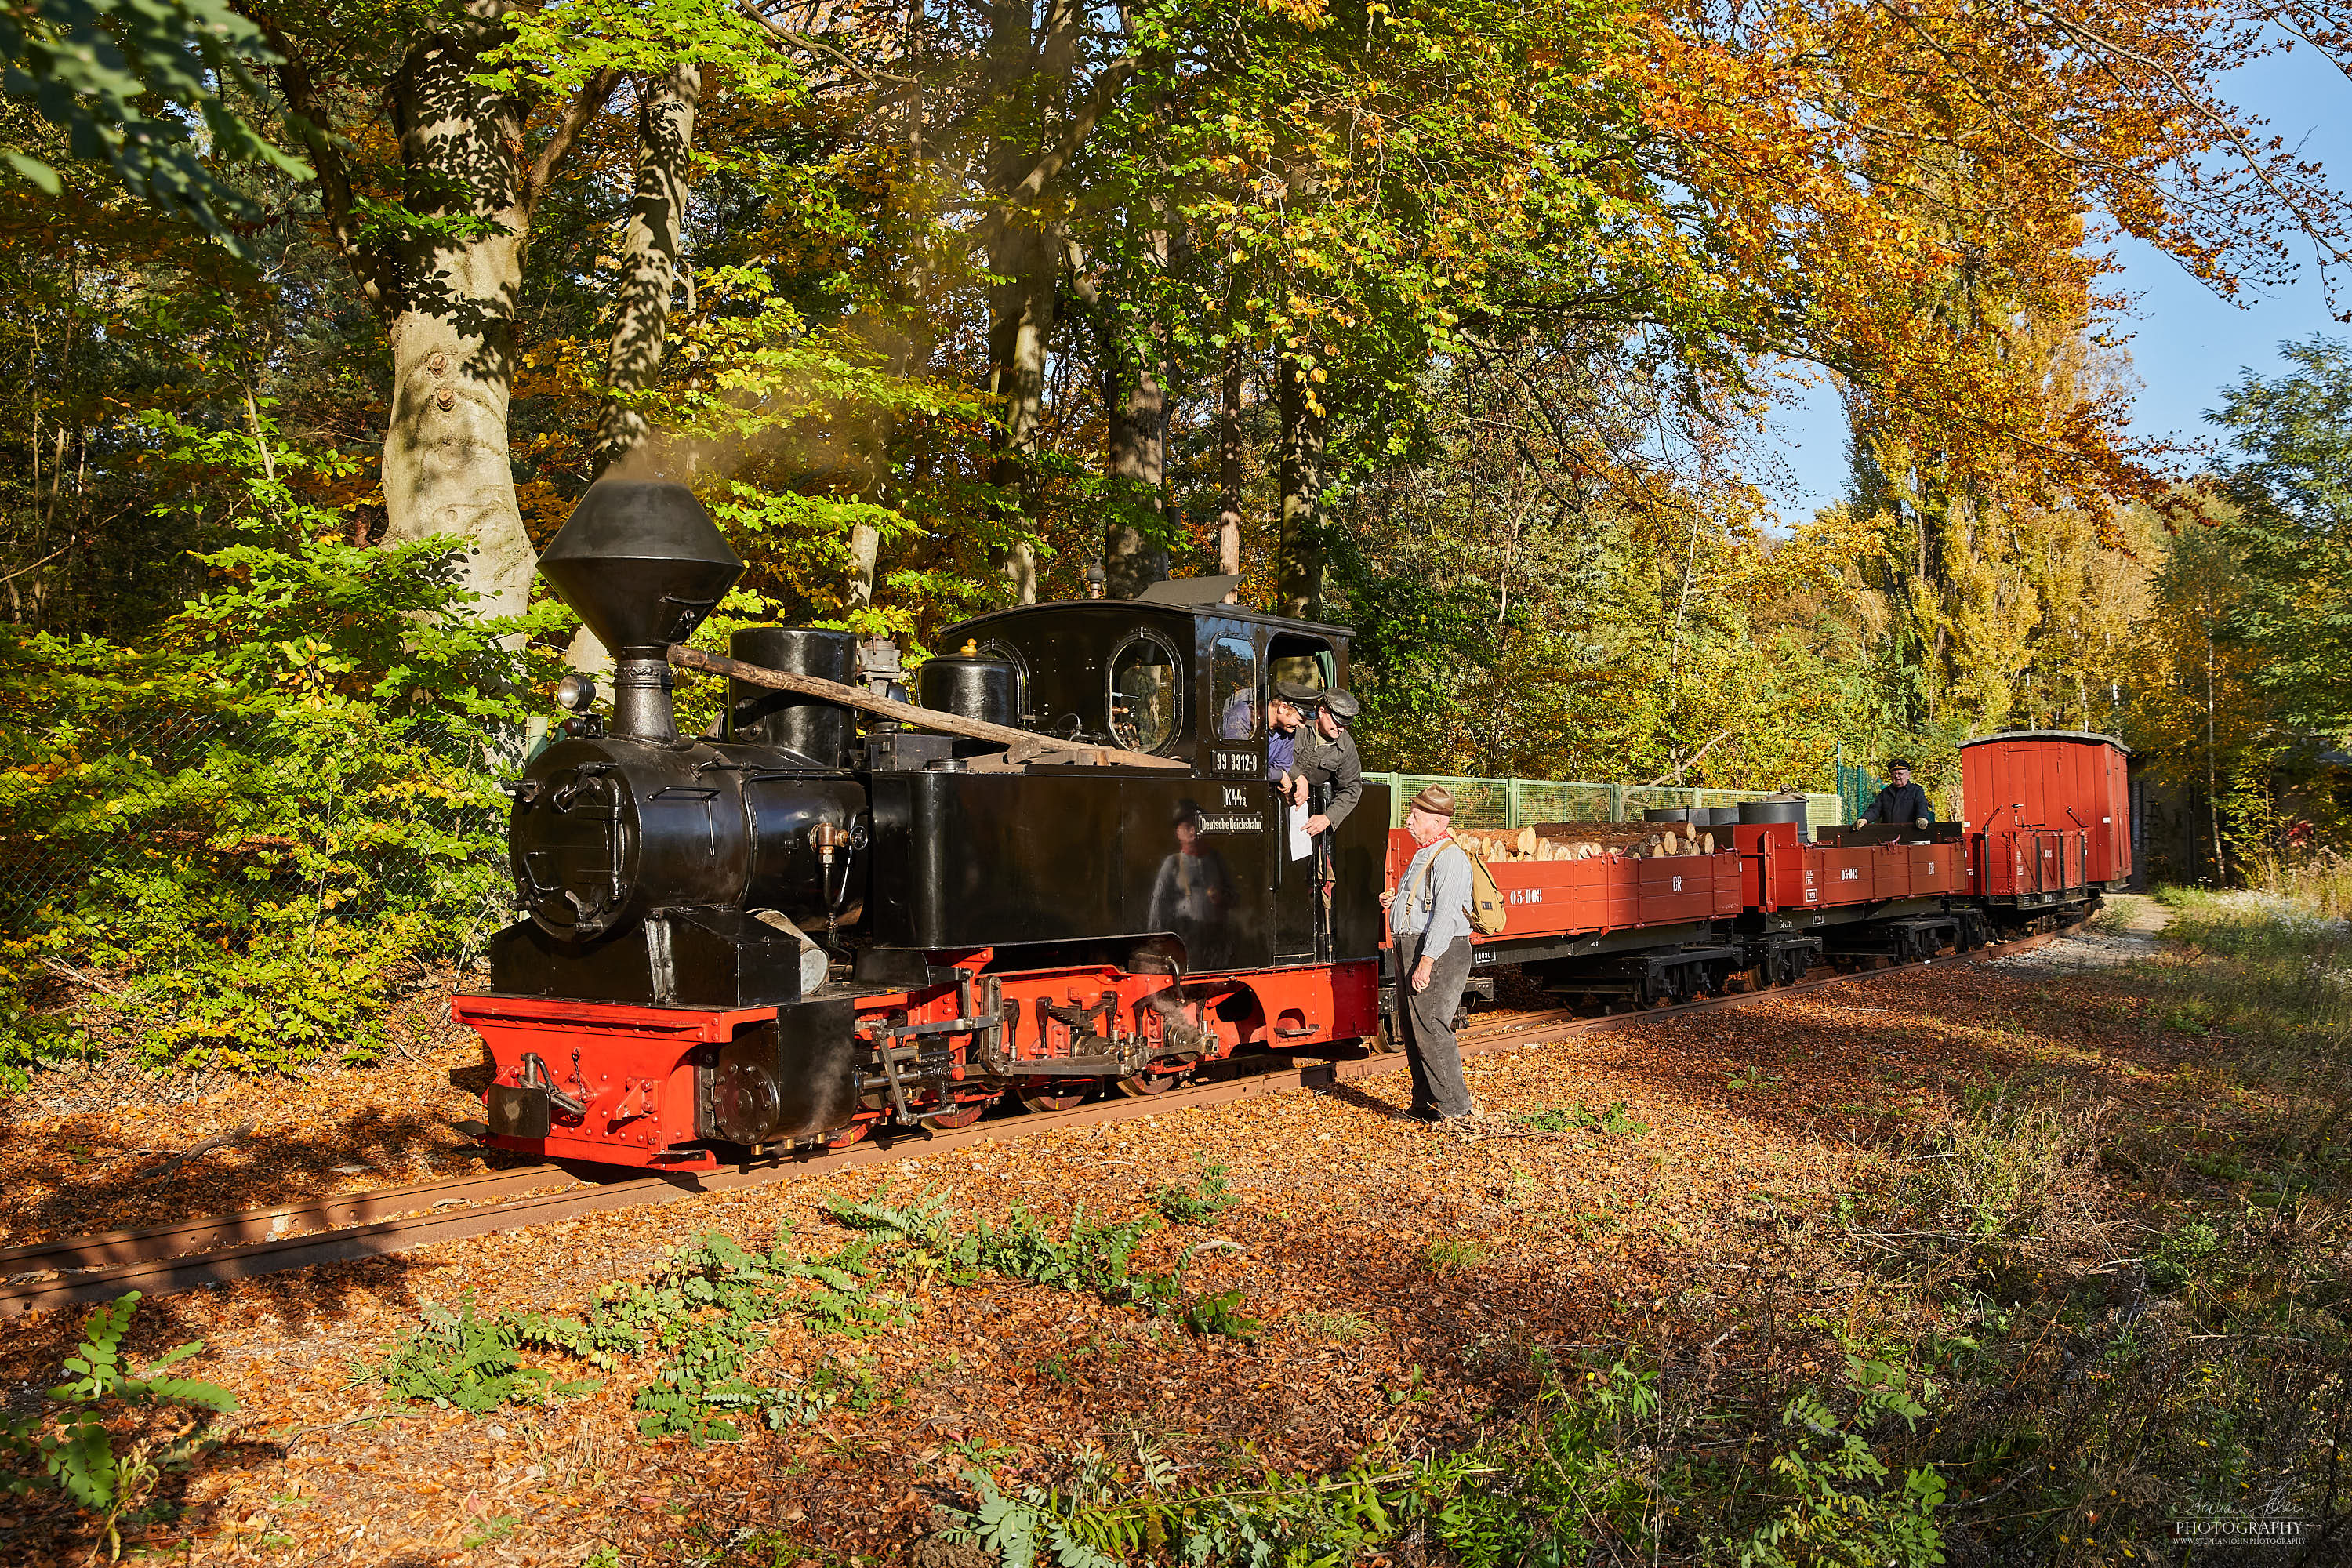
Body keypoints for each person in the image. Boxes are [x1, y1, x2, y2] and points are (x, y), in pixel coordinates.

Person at [1379, 785, 1477, 1123]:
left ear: (1436, 822)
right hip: (1414, 945)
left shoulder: (1449, 857)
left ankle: (1455, 1107)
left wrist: (1427, 961)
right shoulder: (1427, 852)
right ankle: (1425, 1104)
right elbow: (1426, 905)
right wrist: (1397, 906)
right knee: (1414, 1028)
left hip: (1438, 951)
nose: (1408, 821)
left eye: (1415, 817)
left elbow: (1447, 915)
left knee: (1432, 1026)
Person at [1149, 800, 1235, 969]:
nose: (1193, 830)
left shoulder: (1216, 860)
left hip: (1215, 937)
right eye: (1187, 825)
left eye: (1196, 825)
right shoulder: (1171, 864)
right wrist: (1155, 942)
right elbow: (1157, 906)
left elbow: (1235, 896)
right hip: (1185, 937)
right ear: (1177, 832)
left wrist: (1223, 898)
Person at [1290, 688, 1363, 837]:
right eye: (1338, 722)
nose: (1341, 729)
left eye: (1346, 724)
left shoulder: (1346, 746)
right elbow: (1271, 753)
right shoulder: (1297, 722)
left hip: (1303, 812)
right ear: (1322, 711)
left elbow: (1352, 788)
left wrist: (1328, 818)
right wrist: (1297, 776)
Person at [1857, 758, 1933, 829]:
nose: (1897, 776)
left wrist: (1922, 818)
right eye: (1894, 774)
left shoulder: (1916, 790)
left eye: (1900, 773)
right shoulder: (1885, 793)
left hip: (1910, 832)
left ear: (1908, 776)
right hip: (1888, 834)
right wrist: (1864, 819)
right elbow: (1875, 809)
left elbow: (1921, 805)